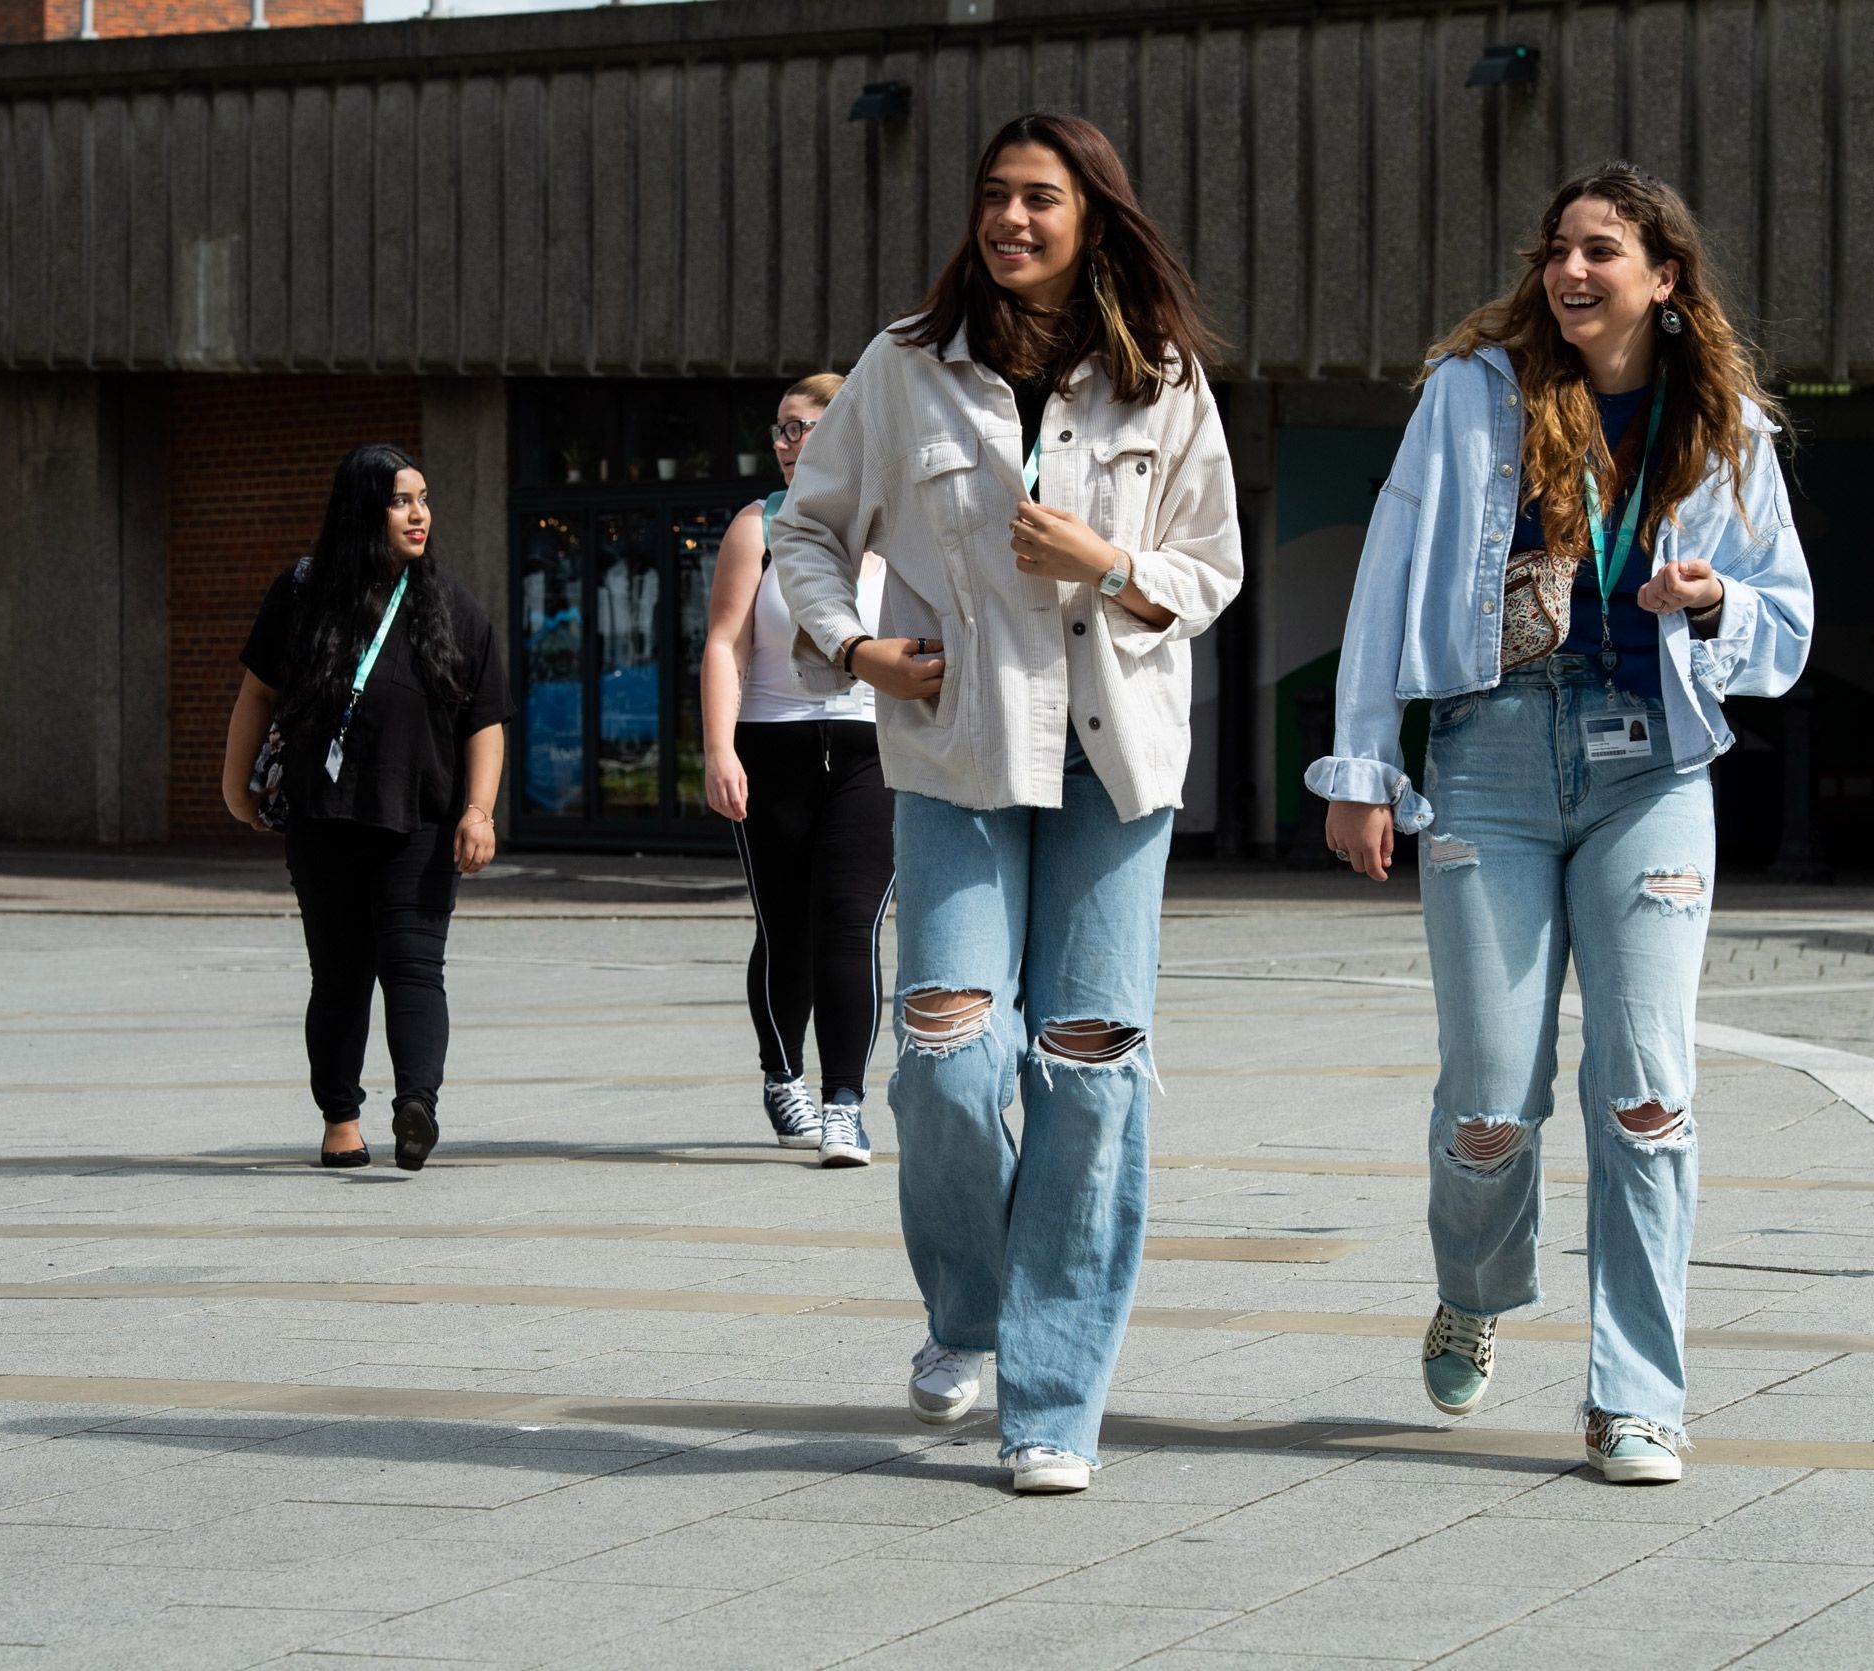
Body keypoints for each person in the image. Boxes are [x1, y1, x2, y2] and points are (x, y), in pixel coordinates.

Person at [1308, 162, 1814, 1484]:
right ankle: (1475, 1281)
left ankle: (1636, 1394)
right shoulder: (1469, 400)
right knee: (1489, 1101)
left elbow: (1786, 625)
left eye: (1601, 250)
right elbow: (1385, 577)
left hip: (1654, 771)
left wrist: (1712, 603)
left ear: (1663, 276)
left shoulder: (1729, 423)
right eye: (1556, 251)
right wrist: (1361, 762)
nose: (1570, 272)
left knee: (1647, 1096)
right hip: (1487, 760)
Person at [771, 112, 1241, 1494]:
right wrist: (851, 649)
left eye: (1041, 198)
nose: (1011, 219)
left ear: (1093, 216)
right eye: (994, 197)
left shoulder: (1161, 380)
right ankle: (965, 1308)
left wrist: (1107, 562)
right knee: (948, 1055)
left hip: (1115, 761)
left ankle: (1053, 1395)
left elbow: (1204, 573)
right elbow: (810, 525)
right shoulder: (907, 365)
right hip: (959, 751)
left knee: (1089, 1076)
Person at [221, 443, 511, 1172]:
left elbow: (485, 719)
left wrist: (479, 810)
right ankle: (340, 1119)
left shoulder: (448, 604)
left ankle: (418, 1106)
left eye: (423, 499)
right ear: (362, 511)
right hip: (324, 818)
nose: (419, 515)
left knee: (415, 967)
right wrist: (236, 787)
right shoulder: (301, 594)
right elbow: (258, 689)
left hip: (420, 818)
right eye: (400, 501)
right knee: (340, 971)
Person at [699, 375, 895, 1166]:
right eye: (781, 430)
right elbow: (724, 643)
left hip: (870, 747)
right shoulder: (759, 526)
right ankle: (784, 1072)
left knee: (852, 922)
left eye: (804, 427)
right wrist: (718, 750)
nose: (787, 443)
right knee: (787, 926)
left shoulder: (897, 528)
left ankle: (845, 1099)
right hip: (771, 743)